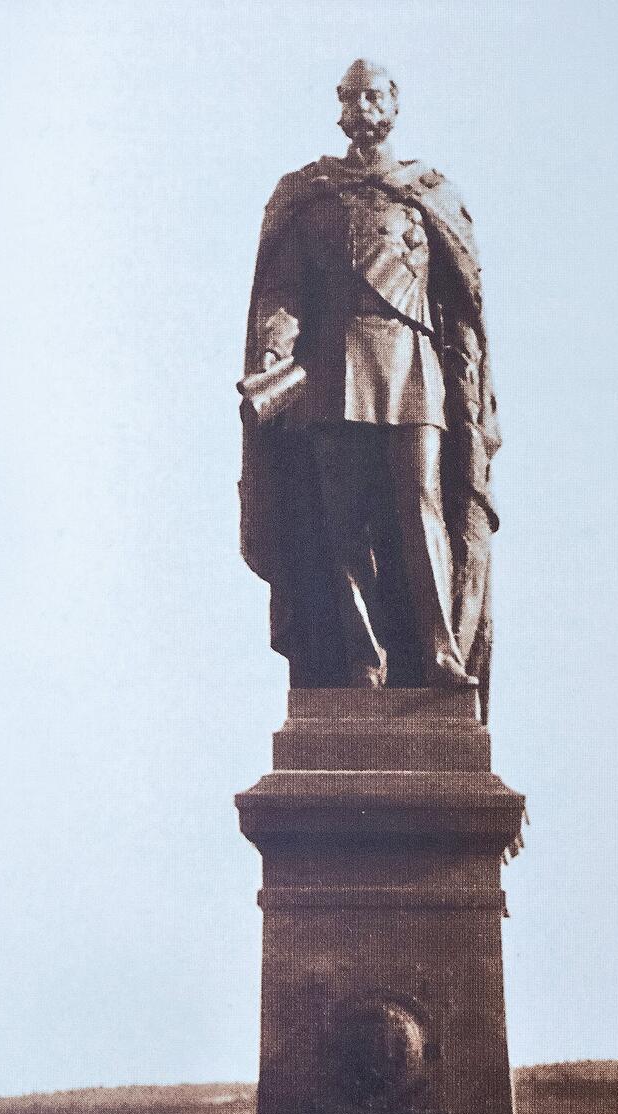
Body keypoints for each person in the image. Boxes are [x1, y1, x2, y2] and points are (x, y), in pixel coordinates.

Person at [241, 60, 501, 707]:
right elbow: (283, 291)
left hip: (413, 365)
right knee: (344, 524)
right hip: (333, 370)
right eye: (350, 96)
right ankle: (364, 660)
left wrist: (470, 387)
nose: (361, 105)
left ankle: (441, 649)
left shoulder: (428, 191)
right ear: (339, 107)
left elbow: (462, 303)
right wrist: (274, 349)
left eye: (373, 94)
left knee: (423, 508)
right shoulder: (311, 194)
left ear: (393, 104)